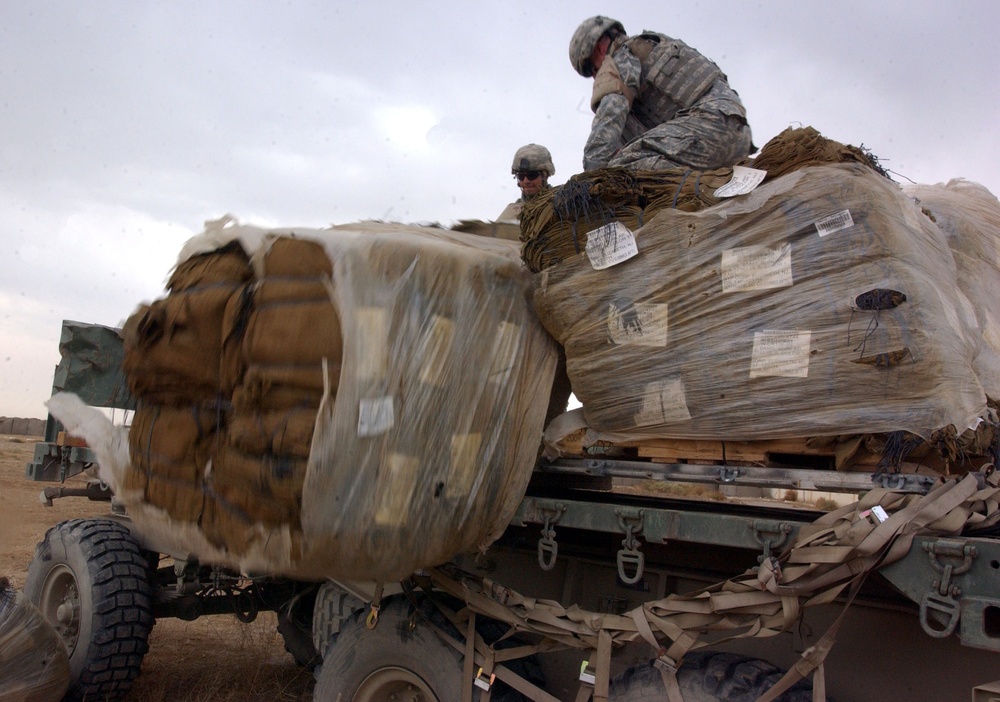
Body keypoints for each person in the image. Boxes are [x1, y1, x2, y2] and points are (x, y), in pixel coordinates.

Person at [569, 16, 753, 172]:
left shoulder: (621, 58)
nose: (595, 76)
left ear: (599, 48)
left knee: (618, 170)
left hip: (707, 133)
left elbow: (610, 113)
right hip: (738, 132)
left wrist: (590, 178)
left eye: (592, 69)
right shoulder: (653, 43)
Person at [497, 144, 556, 221]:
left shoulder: (561, 207)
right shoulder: (511, 213)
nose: (526, 181)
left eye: (532, 175)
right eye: (521, 176)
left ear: (545, 175)